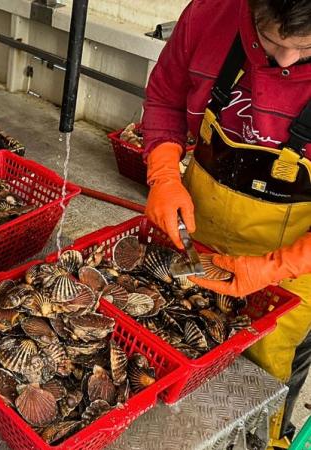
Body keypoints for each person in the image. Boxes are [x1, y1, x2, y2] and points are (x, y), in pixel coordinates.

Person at [143, 0, 311, 446]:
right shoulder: (209, 13)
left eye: (307, 47)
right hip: (198, 226)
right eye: (272, 41)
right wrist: (163, 175)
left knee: (265, 380)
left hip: (297, 265)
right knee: (176, 342)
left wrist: (275, 267)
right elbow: (164, 97)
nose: (285, 60)